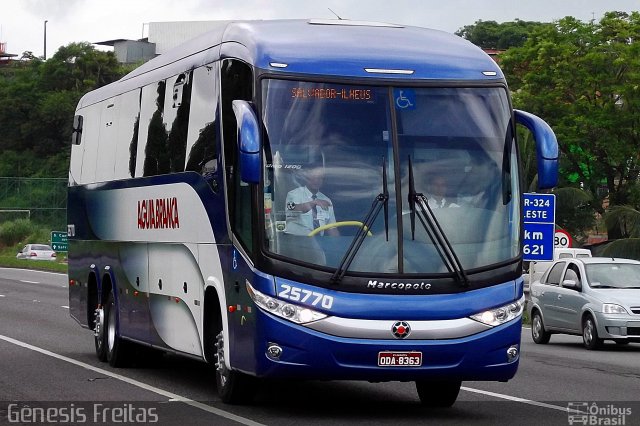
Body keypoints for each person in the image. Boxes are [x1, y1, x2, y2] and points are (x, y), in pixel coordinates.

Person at [285, 165, 339, 236]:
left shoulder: (326, 200)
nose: (316, 181)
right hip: (296, 242)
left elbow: (332, 228)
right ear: (306, 178)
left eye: (319, 178)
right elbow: (292, 209)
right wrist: (313, 203)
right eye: (313, 177)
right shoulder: (293, 194)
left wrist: (338, 243)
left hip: (317, 243)